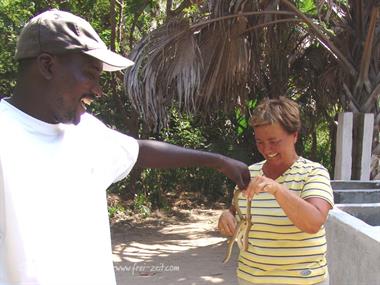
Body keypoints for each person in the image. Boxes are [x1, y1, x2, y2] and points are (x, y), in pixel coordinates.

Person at [0, 10, 250, 285]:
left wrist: (217, 161)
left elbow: (139, 151)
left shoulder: (87, 132)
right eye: (90, 74)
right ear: (47, 66)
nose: (98, 90)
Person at [218, 97, 334, 285]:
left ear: (294, 135)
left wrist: (277, 190)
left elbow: (313, 223)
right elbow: (236, 209)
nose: (266, 149)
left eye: (274, 141)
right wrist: (227, 215)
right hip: (251, 279)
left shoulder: (313, 173)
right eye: (260, 142)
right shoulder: (250, 173)